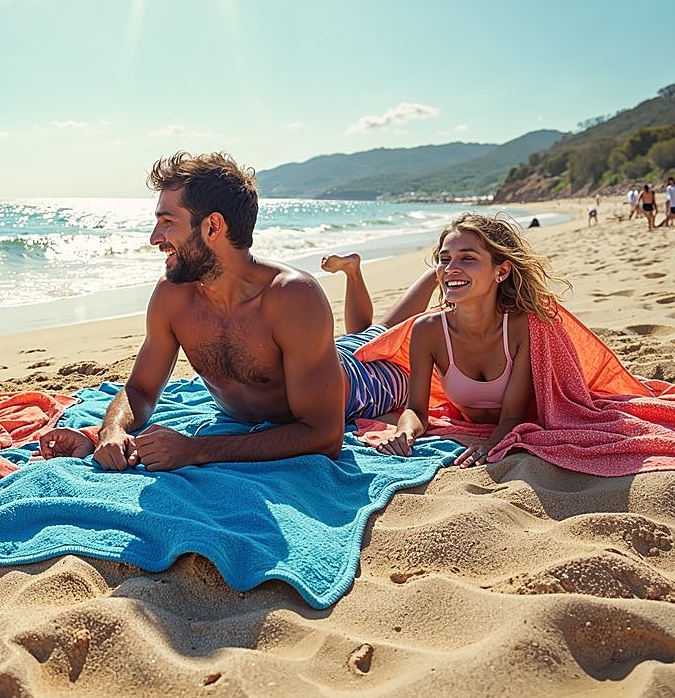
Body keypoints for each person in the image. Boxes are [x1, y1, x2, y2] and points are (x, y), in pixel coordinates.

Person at [39, 152, 421, 471]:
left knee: (389, 338)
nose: (155, 239)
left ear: (213, 226)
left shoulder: (292, 297)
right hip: (305, 366)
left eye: (167, 222)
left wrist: (198, 450)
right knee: (374, 331)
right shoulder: (173, 296)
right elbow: (139, 390)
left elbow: (325, 436)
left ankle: (433, 275)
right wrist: (112, 429)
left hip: (360, 382)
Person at [346, 214, 568, 467]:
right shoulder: (427, 331)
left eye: (468, 258)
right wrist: (403, 434)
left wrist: (489, 446)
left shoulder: (522, 327)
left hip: (514, 425)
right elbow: (417, 411)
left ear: (502, 271)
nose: (450, 268)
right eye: (444, 259)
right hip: (466, 426)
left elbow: (513, 415)